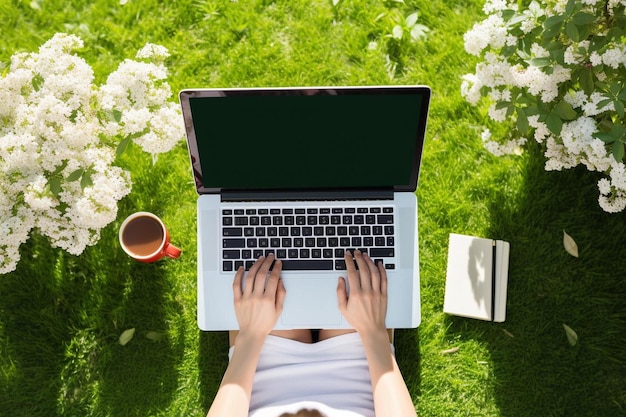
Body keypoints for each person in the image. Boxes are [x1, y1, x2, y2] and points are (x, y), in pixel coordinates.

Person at [207, 250, 418, 417]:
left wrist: (251, 334)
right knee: (358, 261)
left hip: (262, 370)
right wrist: (373, 330)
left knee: (261, 264)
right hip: (358, 367)